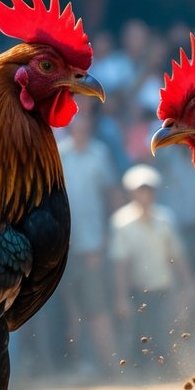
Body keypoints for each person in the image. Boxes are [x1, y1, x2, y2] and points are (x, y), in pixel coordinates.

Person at [110, 164, 195, 375]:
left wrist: (187, 282)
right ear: (132, 192)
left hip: (164, 287)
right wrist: (121, 296)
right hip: (138, 291)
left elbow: (176, 255)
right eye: (141, 190)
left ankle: (168, 371)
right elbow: (121, 263)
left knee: (166, 330)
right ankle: (143, 373)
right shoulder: (121, 222)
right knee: (141, 332)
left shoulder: (165, 218)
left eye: (149, 189)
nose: (145, 194)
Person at [57, 101, 121, 374]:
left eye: (85, 122)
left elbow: (112, 195)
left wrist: (108, 235)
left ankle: (112, 366)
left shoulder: (99, 154)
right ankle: (79, 365)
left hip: (92, 244)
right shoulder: (59, 154)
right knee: (69, 309)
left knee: (95, 306)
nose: (81, 127)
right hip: (63, 246)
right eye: (77, 123)